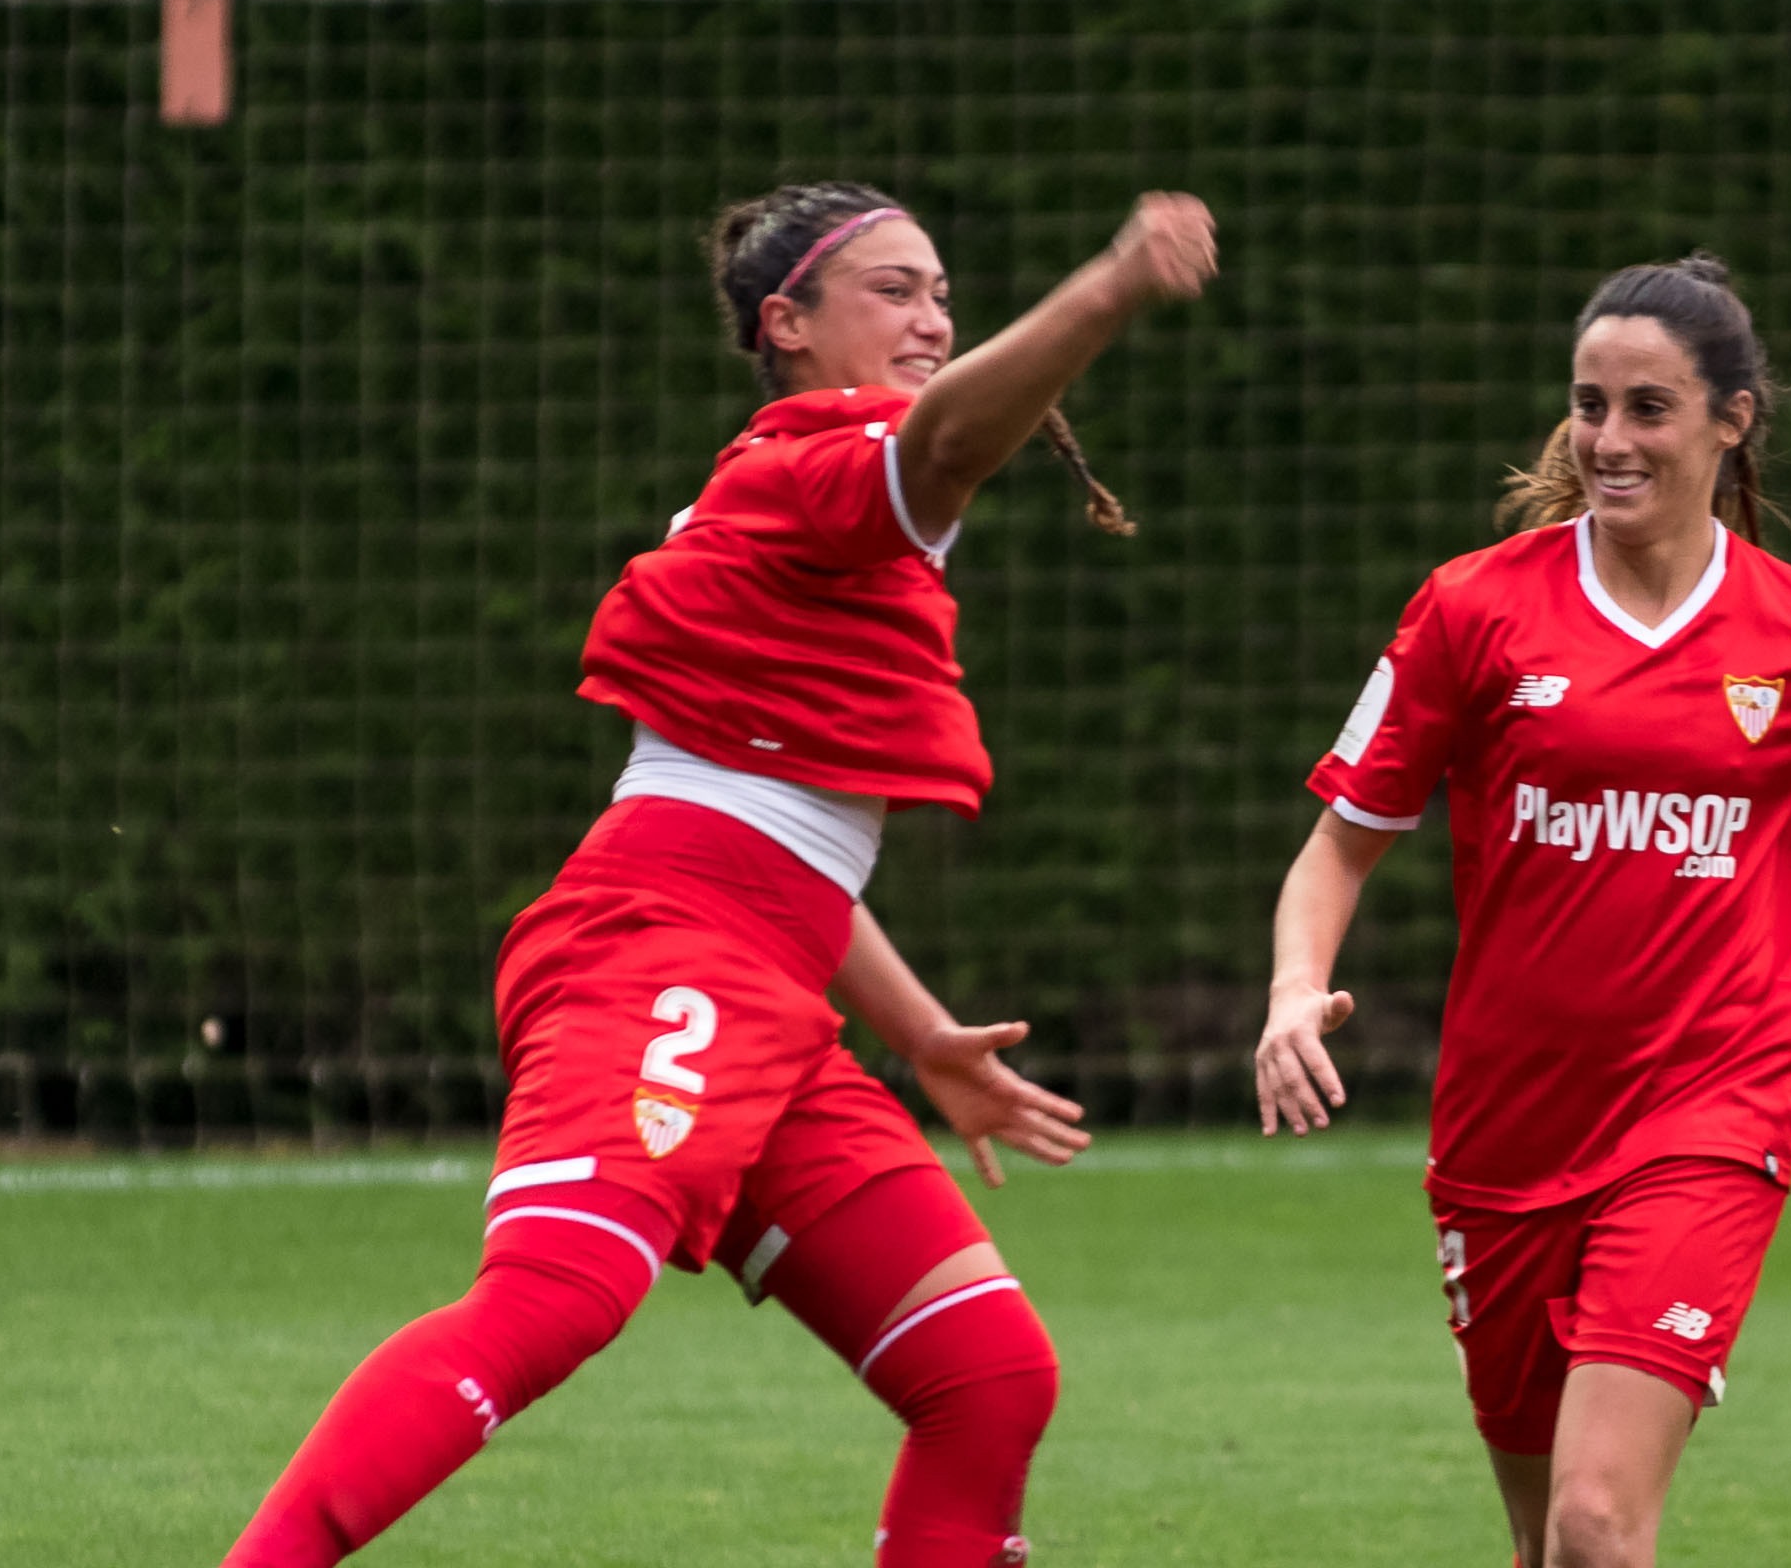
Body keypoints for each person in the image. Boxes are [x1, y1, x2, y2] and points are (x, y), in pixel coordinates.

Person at [219, 183, 1220, 1568]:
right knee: (548, 1304)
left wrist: (920, 1029)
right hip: (662, 957)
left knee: (987, 1372)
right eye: (894, 289)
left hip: (756, 978)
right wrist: (1109, 286)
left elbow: (776, 843)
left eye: (940, 290)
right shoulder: (834, 459)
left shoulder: (786, 488)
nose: (931, 315)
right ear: (786, 323)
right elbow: (952, 438)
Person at [1254, 255, 1791, 1568]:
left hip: (1712, 1107)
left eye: (1648, 408)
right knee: (1548, 1538)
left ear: (1732, 418)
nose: (1609, 440)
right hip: (1507, 1121)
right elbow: (1338, 846)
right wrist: (1290, 991)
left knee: (1601, 1525)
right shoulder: (1471, 608)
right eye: (1589, 405)